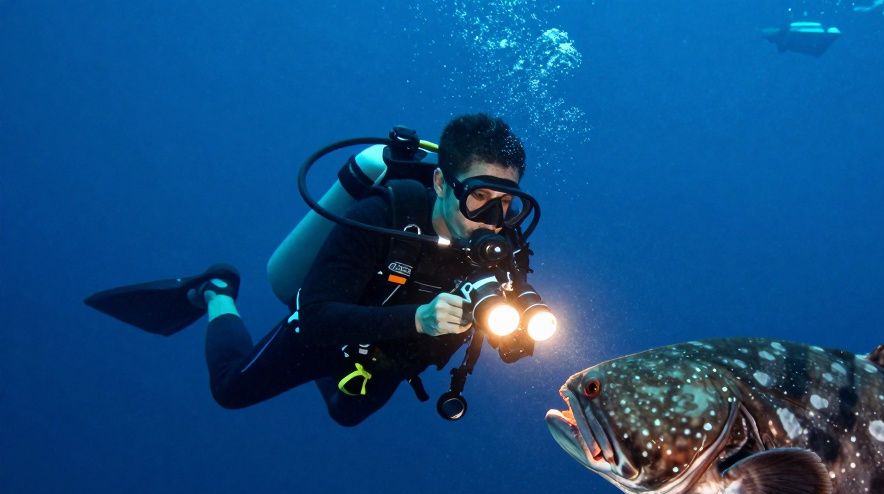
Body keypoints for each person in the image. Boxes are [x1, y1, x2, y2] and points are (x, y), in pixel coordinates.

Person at [87, 113, 547, 426]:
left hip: (387, 353)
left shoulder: (502, 241)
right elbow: (315, 316)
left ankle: (344, 373)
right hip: (324, 329)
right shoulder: (382, 216)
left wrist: (521, 331)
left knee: (346, 415)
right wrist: (418, 319)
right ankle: (217, 288)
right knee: (230, 390)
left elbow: (513, 318)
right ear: (443, 182)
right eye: (479, 198)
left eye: (507, 202)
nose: (493, 218)